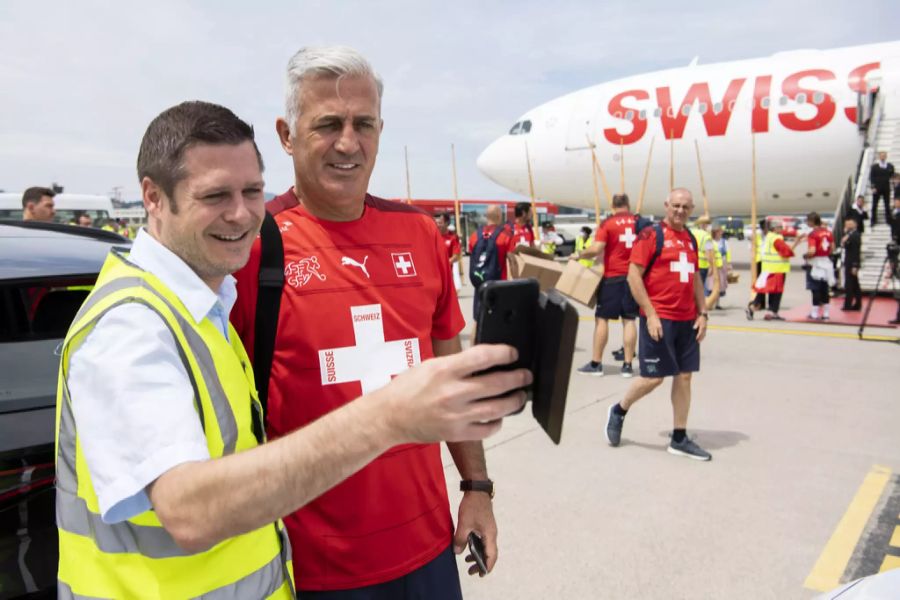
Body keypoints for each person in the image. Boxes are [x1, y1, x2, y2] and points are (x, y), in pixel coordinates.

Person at [56, 100, 529, 599]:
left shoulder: (206, 303)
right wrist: (389, 416)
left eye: (252, 191)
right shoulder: (132, 328)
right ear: (153, 197)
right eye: (215, 195)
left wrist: (476, 485)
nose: (241, 215)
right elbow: (189, 511)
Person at [231, 46, 512, 598]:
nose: (347, 142)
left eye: (364, 124)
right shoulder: (248, 246)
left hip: (428, 550)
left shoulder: (420, 234)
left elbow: (450, 375)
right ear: (286, 135)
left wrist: (477, 487)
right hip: (307, 565)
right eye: (328, 124)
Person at [604, 188, 711, 460]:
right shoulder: (651, 235)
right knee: (653, 378)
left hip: (687, 319)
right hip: (660, 318)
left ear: (692, 208)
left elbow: (696, 278)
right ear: (666, 205)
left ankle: (679, 437)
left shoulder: (690, 238)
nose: (680, 211)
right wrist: (650, 313)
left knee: (685, 376)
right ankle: (619, 409)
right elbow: (633, 276)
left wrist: (703, 313)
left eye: (686, 207)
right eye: (676, 205)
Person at [572, 193, 638, 378]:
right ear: (628, 203)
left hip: (612, 277)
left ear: (612, 205)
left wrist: (578, 255)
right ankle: (627, 365)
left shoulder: (607, 224)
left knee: (602, 319)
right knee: (629, 320)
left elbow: (596, 249)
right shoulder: (637, 222)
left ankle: (596, 363)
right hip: (633, 277)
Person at [746, 220, 802, 321]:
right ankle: (770, 311)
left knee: (765, 289)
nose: (782, 229)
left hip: (768, 268)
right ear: (775, 228)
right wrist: (797, 242)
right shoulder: (777, 239)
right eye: (780, 227)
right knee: (776, 292)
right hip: (777, 269)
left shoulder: (769, 237)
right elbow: (787, 252)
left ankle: (755, 307)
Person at [469, 204, 513, 318]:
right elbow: (511, 260)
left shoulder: (474, 236)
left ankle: (477, 336)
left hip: (480, 284)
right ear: (499, 216)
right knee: (498, 320)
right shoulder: (506, 235)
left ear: (486, 216)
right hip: (499, 284)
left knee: (479, 318)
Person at [804, 212, 835, 320]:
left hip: (816, 262)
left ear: (812, 221)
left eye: (808, 221)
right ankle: (826, 313)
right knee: (825, 288)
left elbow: (812, 250)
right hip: (826, 261)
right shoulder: (828, 232)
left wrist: (806, 256)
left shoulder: (813, 234)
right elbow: (832, 247)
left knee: (815, 288)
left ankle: (814, 313)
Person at [690, 215, 717, 291]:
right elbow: (708, 252)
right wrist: (711, 266)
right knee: (699, 289)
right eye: (708, 224)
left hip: (691, 264)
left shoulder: (692, 232)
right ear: (705, 225)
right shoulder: (706, 236)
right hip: (702, 266)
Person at [841, 217, 863, 311]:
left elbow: (855, 251)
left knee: (850, 284)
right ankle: (857, 304)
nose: (847, 226)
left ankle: (848, 304)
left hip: (852, 262)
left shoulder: (855, 235)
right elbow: (845, 246)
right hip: (848, 261)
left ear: (855, 224)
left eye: (850, 224)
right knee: (854, 284)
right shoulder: (849, 234)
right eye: (846, 224)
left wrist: (855, 265)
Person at [437, 212, 462, 288]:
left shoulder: (453, 238)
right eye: (437, 223)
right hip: (433, 274)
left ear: (446, 223)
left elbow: (456, 257)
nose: (438, 225)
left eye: (440, 223)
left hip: (446, 275)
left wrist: (444, 263)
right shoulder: (433, 236)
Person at [869, 151, 894, 227]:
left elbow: (892, 176)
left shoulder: (890, 166)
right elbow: (872, 177)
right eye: (881, 156)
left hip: (886, 188)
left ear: (886, 156)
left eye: (884, 156)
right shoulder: (875, 167)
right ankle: (873, 220)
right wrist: (873, 187)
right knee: (874, 205)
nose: (883, 157)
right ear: (879, 157)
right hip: (877, 188)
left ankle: (888, 219)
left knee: (887, 204)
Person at [710, 224, 731, 308]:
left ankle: (717, 303)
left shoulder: (724, 242)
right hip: (713, 265)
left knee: (720, 284)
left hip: (721, 265)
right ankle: (711, 302)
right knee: (712, 284)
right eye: (719, 232)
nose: (720, 233)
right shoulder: (710, 241)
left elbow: (728, 253)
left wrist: (729, 263)